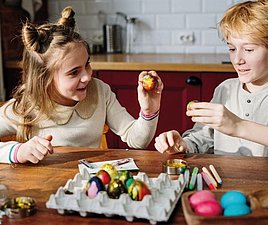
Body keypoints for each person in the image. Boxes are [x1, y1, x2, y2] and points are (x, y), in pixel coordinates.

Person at [0, 6, 163, 164]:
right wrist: (17, 152)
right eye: (74, 72)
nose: (87, 76)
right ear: (44, 79)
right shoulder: (26, 106)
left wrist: (149, 111)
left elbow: (137, 141)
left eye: (87, 64)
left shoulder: (100, 91)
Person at [154, 0, 268, 162]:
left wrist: (238, 126)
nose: (237, 59)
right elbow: (205, 137)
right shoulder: (225, 89)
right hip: (225, 184)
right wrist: (184, 144)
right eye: (232, 49)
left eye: (249, 49)